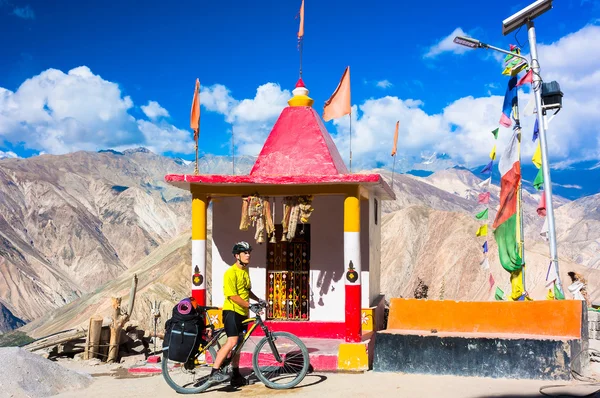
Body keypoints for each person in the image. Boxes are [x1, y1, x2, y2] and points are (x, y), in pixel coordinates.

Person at [208, 241, 263, 386]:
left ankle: (235, 375)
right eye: (245, 252)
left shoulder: (245, 270)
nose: (248, 255)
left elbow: (246, 290)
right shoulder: (230, 273)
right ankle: (214, 372)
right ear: (236, 256)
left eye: (249, 252)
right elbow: (233, 296)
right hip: (231, 312)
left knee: (239, 344)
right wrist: (250, 305)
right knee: (232, 341)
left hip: (243, 313)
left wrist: (258, 300)